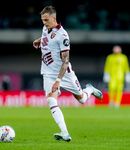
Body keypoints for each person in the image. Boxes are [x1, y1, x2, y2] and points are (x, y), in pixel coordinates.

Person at [33, 6, 103, 142]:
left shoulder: (63, 36)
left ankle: (90, 89)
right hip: (48, 73)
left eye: (46, 20)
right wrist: (39, 40)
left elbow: (65, 62)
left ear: (54, 18)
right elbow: (46, 37)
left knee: (82, 99)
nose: (44, 23)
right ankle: (65, 133)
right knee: (51, 99)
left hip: (64, 74)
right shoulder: (45, 28)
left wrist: (58, 80)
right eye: (42, 20)